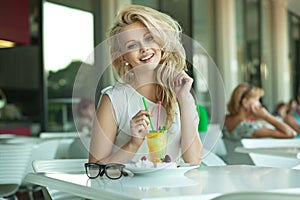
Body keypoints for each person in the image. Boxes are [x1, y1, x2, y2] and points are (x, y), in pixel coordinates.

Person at [89, 5, 202, 165]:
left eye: (149, 38)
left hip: (173, 189)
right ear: (123, 57)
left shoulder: (181, 93)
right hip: (125, 189)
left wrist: (183, 99)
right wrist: (134, 143)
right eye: (132, 45)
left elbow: (194, 160)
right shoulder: (114, 100)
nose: (144, 48)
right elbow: (95, 167)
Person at [223, 82, 296, 140]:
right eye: (256, 100)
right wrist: (266, 116)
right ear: (245, 103)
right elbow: (291, 133)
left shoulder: (224, 120)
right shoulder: (248, 127)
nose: (260, 104)